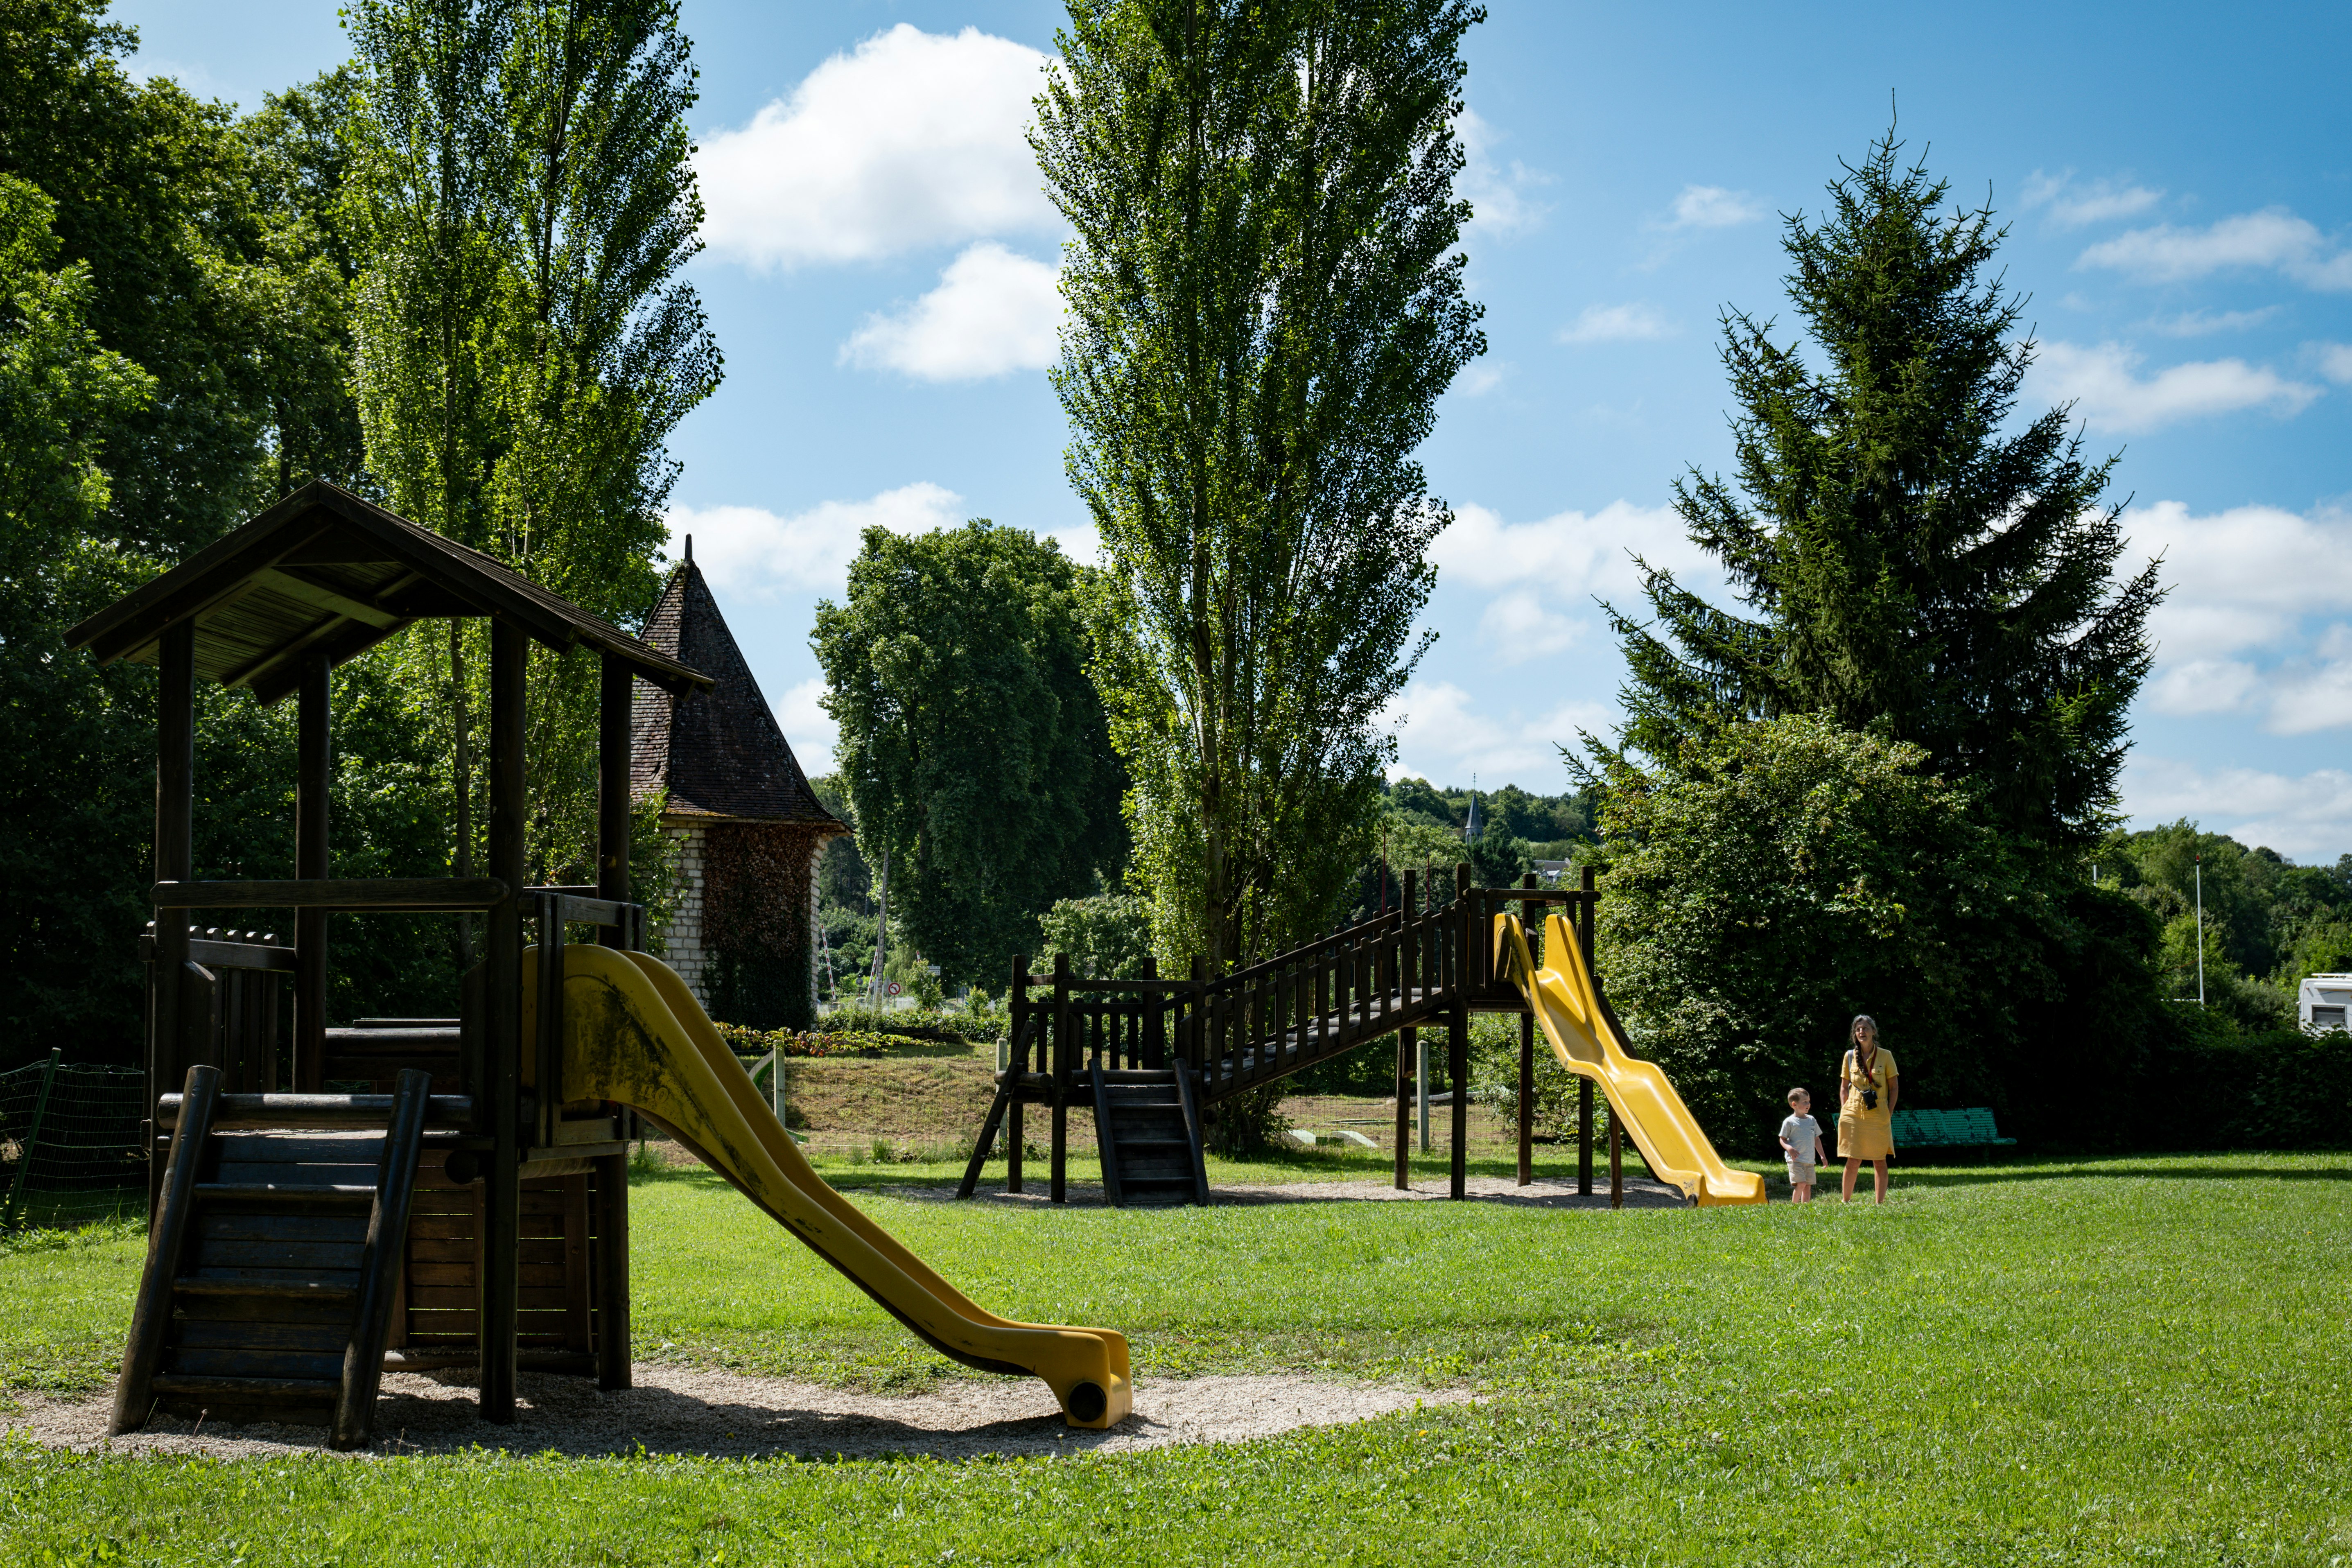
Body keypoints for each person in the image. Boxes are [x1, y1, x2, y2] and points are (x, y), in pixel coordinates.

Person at [1838, 1014, 1899, 1204]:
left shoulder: (1886, 1055)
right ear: (1854, 1035)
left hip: (1878, 1114)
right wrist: (1844, 1110)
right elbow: (1843, 1087)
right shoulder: (1849, 1057)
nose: (1861, 1032)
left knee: (1879, 1160)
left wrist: (1888, 1113)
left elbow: (1894, 1087)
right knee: (1853, 1159)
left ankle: (1879, 1204)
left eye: (1865, 1028)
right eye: (1858, 1030)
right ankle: (1845, 1202)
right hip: (1853, 1113)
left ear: (1874, 1031)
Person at [1778, 1088, 1828, 1203]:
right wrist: (1789, 1148)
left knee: (1808, 1186)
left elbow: (1817, 1139)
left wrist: (1822, 1156)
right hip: (1795, 1160)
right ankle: (1795, 1206)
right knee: (1801, 1184)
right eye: (1805, 1102)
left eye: (1809, 1101)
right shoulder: (1789, 1122)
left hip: (1809, 1160)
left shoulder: (1812, 1120)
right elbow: (1782, 1139)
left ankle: (1806, 1207)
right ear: (1794, 1104)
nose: (1808, 1104)